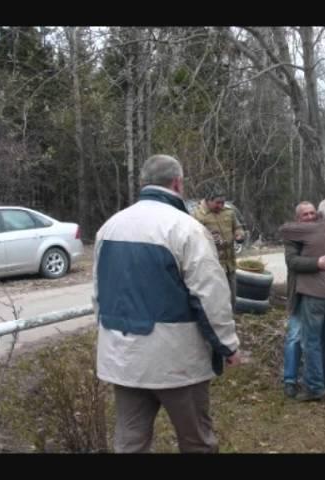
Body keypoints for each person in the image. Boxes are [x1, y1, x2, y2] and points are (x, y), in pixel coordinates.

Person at [93, 154, 240, 453]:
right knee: (196, 441)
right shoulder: (186, 229)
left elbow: (98, 296)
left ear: (144, 182)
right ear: (177, 182)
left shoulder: (109, 227)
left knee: (130, 443)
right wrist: (228, 345)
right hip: (176, 360)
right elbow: (210, 296)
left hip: (122, 356)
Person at [279, 199, 325, 401]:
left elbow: (283, 229)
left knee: (314, 342)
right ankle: (294, 381)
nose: (310, 217)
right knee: (306, 339)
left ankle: (317, 387)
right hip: (324, 296)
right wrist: (317, 262)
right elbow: (292, 261)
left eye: (313, 214)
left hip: (316, 296)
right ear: (298, 218)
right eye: (305, 215)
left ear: (319, 214)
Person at [193, 188, 245, 310]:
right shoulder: (197, 216)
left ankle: (231, 322)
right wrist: (209, 239)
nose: (221, 206)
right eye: (218, 202)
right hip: (212, 265)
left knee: (231, 298)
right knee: (216, 300)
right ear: (208, 201)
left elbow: (238, 227)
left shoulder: (229, 212)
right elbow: (193, 240)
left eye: (223, 202)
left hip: (230, 263)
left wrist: (239, 234)